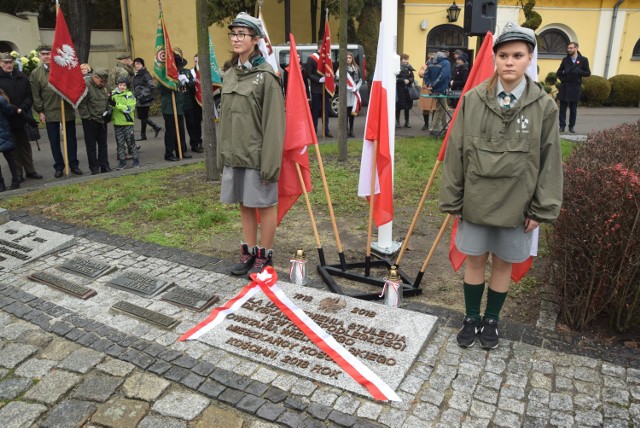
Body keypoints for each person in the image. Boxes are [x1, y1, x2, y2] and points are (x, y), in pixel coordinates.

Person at [439, 22, 563, 350]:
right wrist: (453, 201)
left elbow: (550, 159)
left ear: (529, 59)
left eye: (517, 55)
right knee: (476, 260)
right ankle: (470, 317)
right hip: (476, 201)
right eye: (503, 55)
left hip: (517, 204)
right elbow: (456, 152)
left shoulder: (544, 106)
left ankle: (491, 320)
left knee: (504, 262)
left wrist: (541, 208)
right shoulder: (473, 100)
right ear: (495, 58)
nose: (509, 61)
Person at [219, 12, 285, 276]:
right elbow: (225, 118)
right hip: (235, 153)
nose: (236, 39)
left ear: (255, 40)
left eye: (242, 34)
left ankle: (264, 256)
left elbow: (274, 124)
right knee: (244, 204)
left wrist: (270, 163)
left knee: (264, 205)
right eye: (233, 34)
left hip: (257, 155)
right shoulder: (230, 74)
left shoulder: (266, 77)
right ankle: (249, 251)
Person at [30, 45, 83, 177]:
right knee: (54, 141)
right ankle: (59, 166)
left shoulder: (63, 68)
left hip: (66, 109)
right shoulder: (36, 74)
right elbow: (36, 94)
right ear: (39, 56)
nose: (46, 56)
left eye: (48, 53)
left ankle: (73, 164)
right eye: (43, 54)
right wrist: (40, 111)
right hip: (49, 111)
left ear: (53, 55)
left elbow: (73, 84)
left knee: (71, 140)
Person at [0, 52, 42, 182]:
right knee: (12, 147)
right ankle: (18, 173)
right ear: (0, 63)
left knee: (25, 145)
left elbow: (29, 95)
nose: (8, 65)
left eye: (10, 62)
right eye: (6, 62)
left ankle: (30, 170)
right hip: (7, 118)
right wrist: (13, 109)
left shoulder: (22, 77)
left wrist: (23, 107)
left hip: (22, 116)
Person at [77, 68, 112, 175]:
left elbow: (109, 99)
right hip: (90, 120)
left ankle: (104, 166)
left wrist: (109, 110)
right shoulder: (86, 85)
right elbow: (82, 104)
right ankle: (94, 168)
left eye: (105, 82)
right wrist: (88, 117)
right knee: (91, 146)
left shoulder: (105, 85)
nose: (103, 84)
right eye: (101, 82)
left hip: (102, 118)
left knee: (103, 144)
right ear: (95, 77)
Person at [159, 50, 191, 161]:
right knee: (171, 131)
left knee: (181, 130)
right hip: (169, 108)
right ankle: (169, 153)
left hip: (178, 106)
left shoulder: (177, 74)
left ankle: (181, 151)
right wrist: (177, 82)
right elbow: (165, 88)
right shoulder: (164, 77)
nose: (179, 68)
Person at [557, 41, 591, 133]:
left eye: (571, 48)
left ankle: (571, 126)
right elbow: (558, 72)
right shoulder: (565, 60)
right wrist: (564, 75)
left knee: (573, 109)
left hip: (575, 87)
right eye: (568, 48)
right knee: (562, 108)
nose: (569, 50)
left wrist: (579, 72)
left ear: (576, 48)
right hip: (565, 86)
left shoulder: (583, 60)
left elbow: (588, 73)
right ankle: (562, 126)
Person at [304, 39, 333, 138]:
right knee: (315, 111)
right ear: (320, 47)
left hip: (326, 89)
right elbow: (308, 74)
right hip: (316, 88)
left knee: (326, 110)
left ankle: (326, 130)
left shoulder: (327, 59)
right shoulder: (311, 58)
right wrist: (319, 79)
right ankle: (314, 131)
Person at [111, 77, 139, 170]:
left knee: (131, 142)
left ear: (127, 86)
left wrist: (116, 105)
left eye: (124, 85)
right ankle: (122, 162)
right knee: (120, 144)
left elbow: (128, 108)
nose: (122, 87)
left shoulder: (130, 95)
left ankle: (136, 160)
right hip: (117, 123)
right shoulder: (113, 94)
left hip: (128, 123)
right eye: (120, 85)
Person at [132, 57, 162, 141]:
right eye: (135, 64)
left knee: (142, 117)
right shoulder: (137, 74)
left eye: (138, 64)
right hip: (138, 99)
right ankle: (143, 135)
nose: (136, 65)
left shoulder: (145, 74)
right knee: (143, 116)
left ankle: (156, 127)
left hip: (144, 99)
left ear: (142, 65)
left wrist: (142, 94)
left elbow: (151, 86)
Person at [425, 46, 452, 136]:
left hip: (433, 89)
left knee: (442, 107)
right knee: (440, 109)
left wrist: (430, 84)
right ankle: (433, 129)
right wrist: (434, 84)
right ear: (447, 52)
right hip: (442, 88)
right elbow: (443, 76)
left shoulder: (431, 61)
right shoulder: (446, 62)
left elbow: (426, 74)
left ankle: (446, 128)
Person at [336, 52, 362, 138]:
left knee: (352, 113)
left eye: (350, 58)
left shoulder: (356, 68)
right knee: (345, 113)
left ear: (352, 59)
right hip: (345, 93)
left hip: (354, 93)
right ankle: (345, 130)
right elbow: (337, 80)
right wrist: (347, 87)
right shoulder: (341, 69)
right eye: (347, 57)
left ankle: (351, 130)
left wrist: (356, 88)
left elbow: (361, 80)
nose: (348, 59)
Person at [0, 88, 20, 191]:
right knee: (10, 158)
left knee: (10, 158)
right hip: (4, 131)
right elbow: (9, 111)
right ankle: (15, 180)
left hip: (3, 132)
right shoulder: (1, 99)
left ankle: (1, 185)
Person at [183, 53, 203, 153]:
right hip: (191, 101)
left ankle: (199, 141)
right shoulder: (190, 72)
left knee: (198, 123)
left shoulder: (205, 72)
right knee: (191, 123)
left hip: (200, 101)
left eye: (198, 61)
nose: (196, 63)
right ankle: (194, 143)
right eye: (195, 61)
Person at [418, 54, 437, 131]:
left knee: (435, 108)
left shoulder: (437, 66)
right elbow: (420, 74)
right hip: (426, 89)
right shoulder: (424, 66)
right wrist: (427, 68)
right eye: (430, 58)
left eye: (433, 58)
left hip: (435, 89)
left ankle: (433, 124)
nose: (431, 59)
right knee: (425, 108)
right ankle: (426, 124)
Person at [395, 53, 415, 128]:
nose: (405, 61)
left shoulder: (409, 68)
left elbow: (412, 77)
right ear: (401, 60)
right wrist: (403, 80)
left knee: (407, 106)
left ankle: (407, 122)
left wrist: (409, 80)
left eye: (407, 59)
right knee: (398, 106)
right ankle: (397, 122)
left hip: (408, 89)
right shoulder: (397, 67)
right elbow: (395, 78)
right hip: (399, 89)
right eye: (404, 59)